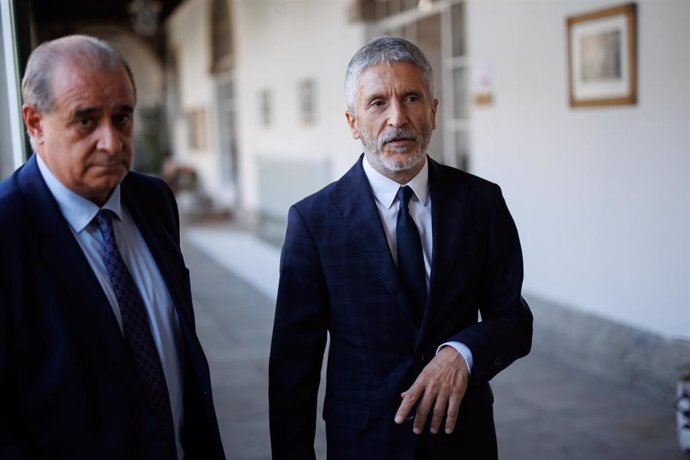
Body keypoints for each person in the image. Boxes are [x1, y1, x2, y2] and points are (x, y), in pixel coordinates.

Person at [269, 36, 533, 460]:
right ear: (353, 122)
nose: (397, 118)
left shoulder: (481, 202)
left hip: (463, 438)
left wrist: (461, 354)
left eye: (411, 97)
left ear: (433, 110)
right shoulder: (313, 221)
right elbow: (292, 368)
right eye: (377, 103)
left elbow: (514, 320)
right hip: (365, 443)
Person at [0, 35, 225, 460]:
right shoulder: (8, 232)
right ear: (34, 124)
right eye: (86, 120)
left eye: (122, 118)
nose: (112, 142)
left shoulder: (154, 200)